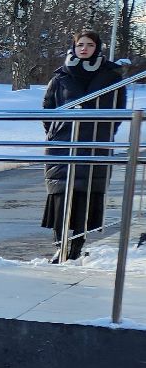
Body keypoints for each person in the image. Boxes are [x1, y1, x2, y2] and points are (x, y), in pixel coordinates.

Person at [42, 30, 126, 262]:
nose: (84, 48)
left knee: (85, 195)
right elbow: (48, 107)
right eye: (80, 44)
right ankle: (60, 244)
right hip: (63, 144)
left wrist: (104, 132)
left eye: (89, 44)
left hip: (94, 143)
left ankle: (77, 245)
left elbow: (119, 110)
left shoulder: (111, 76)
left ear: (97, 48)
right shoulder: (61, 76)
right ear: (74, 47)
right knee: (61, 194)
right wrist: (55, 131)